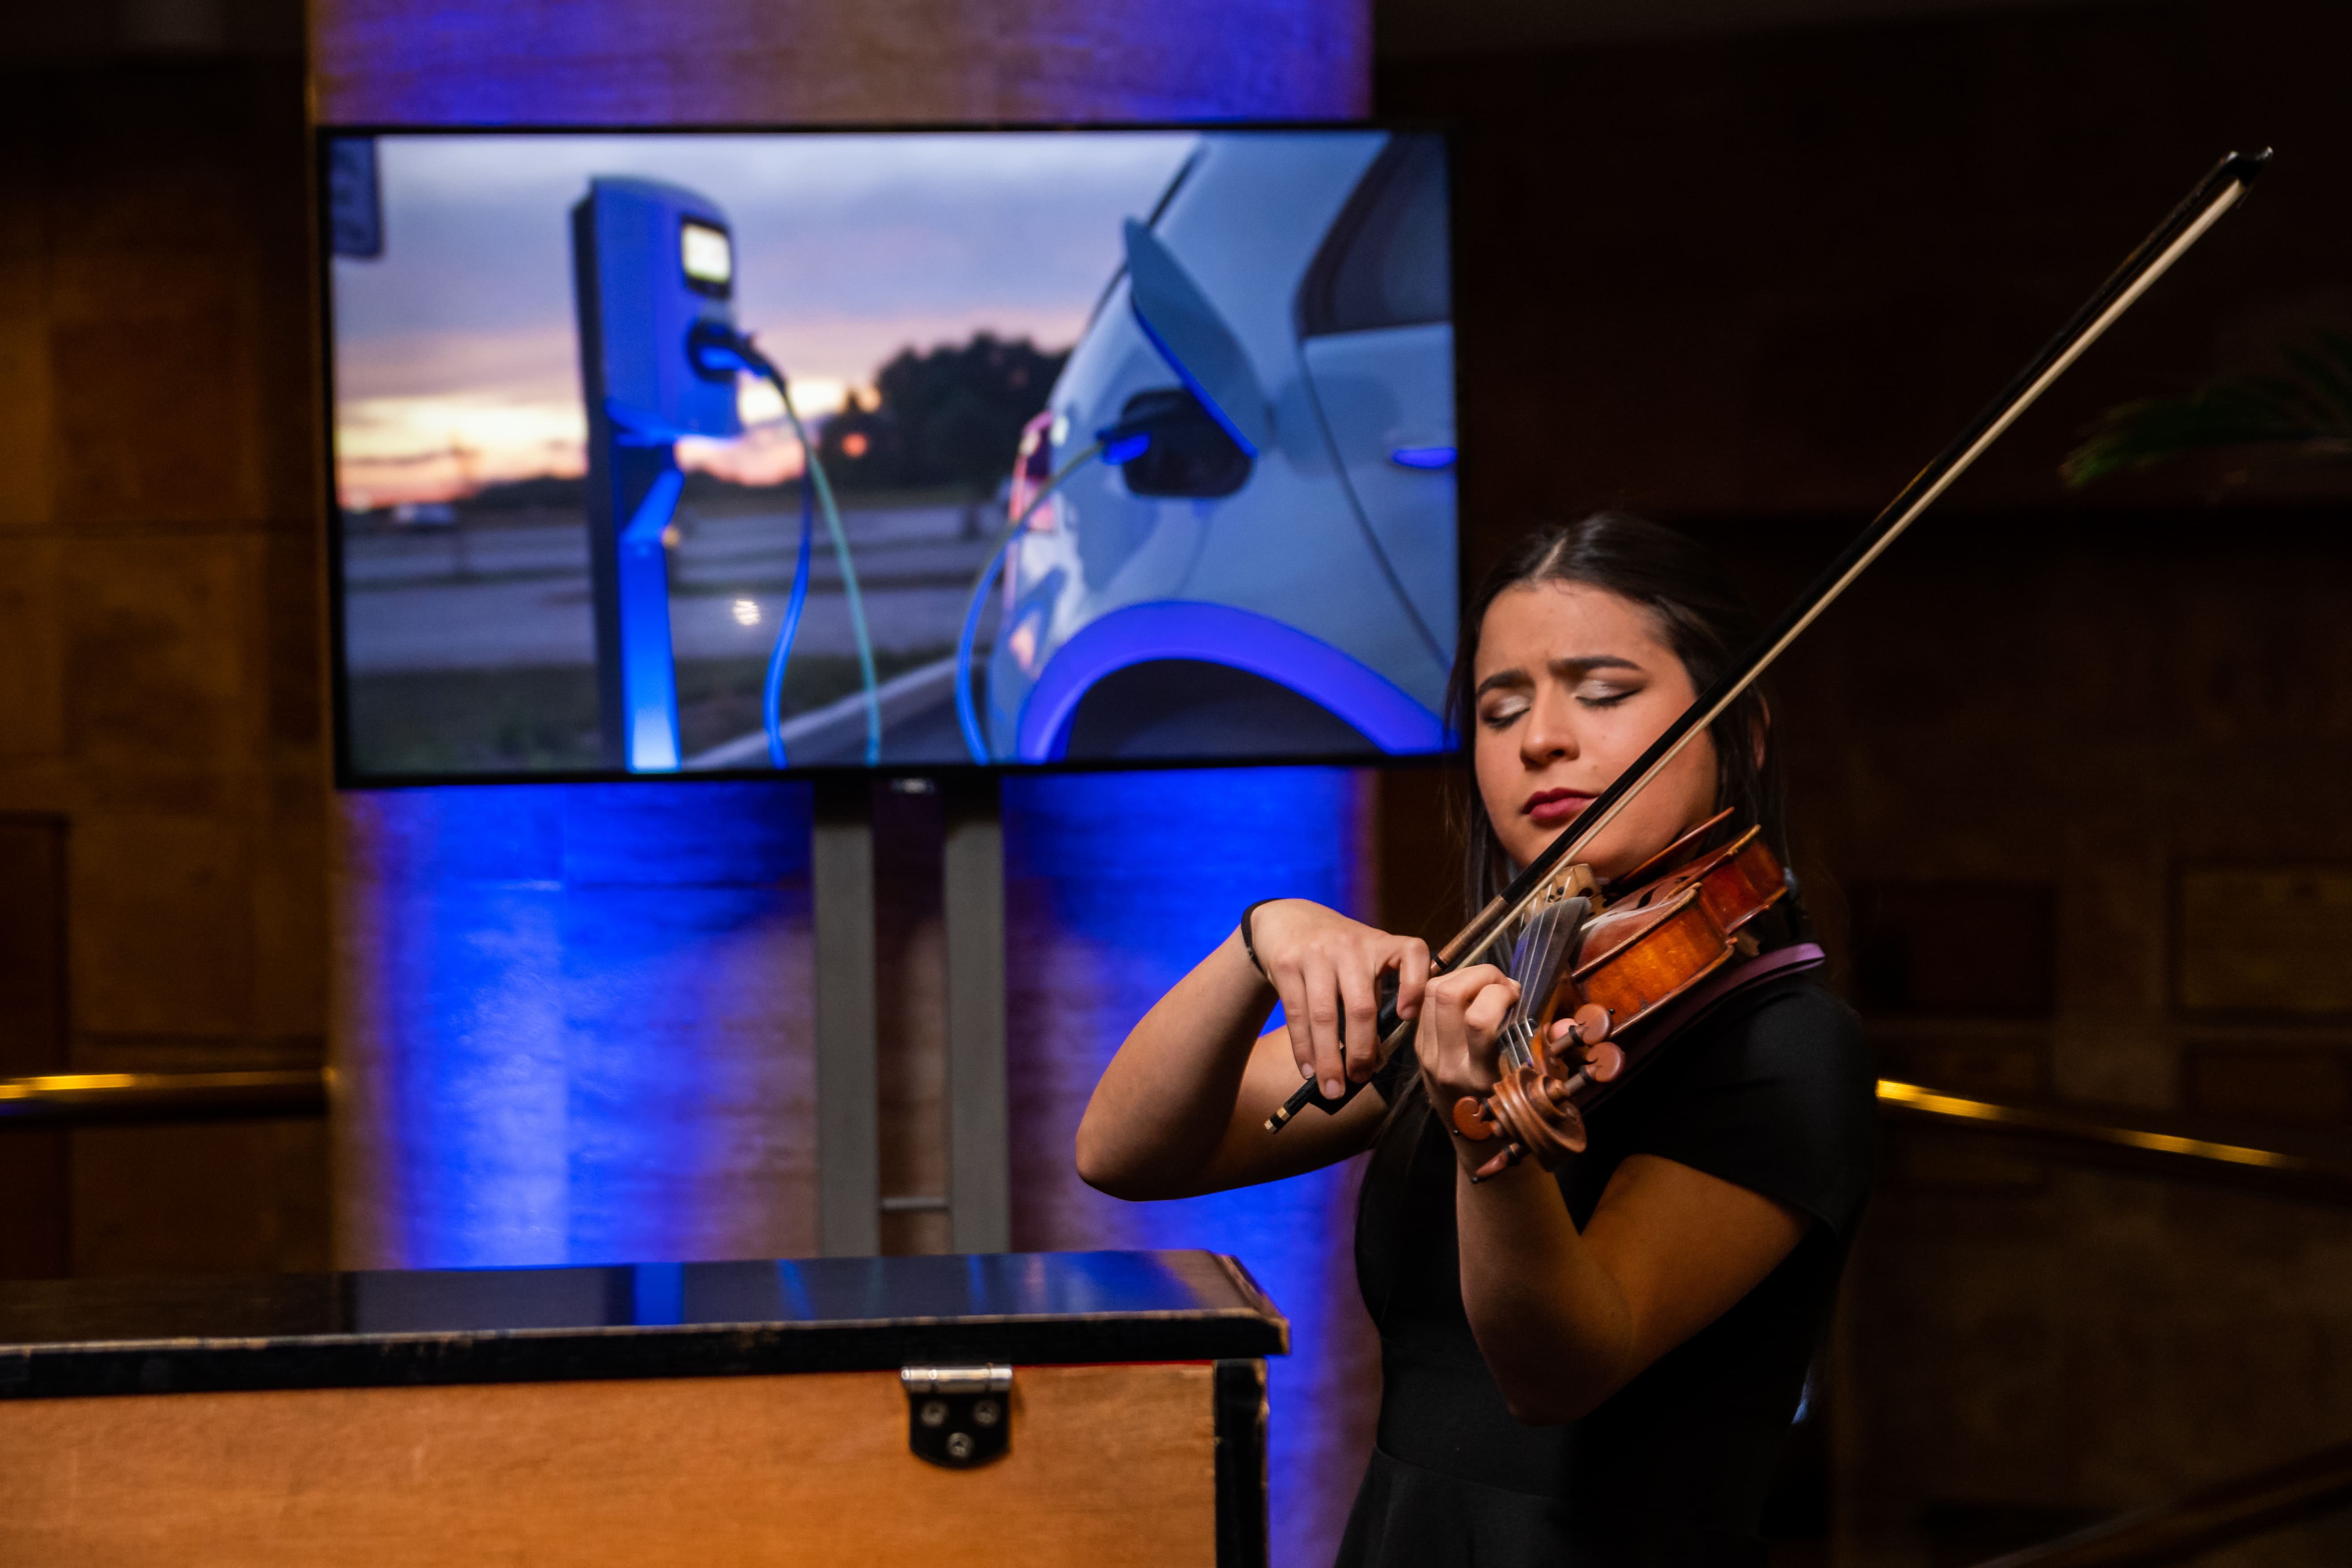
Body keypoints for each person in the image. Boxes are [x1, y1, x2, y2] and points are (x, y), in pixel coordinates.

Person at [1075, 514, 1876, 1566]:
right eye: (1502, 709)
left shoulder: (1784, 1044)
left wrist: (1479, 1134)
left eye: (1602, 692)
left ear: (1743, 731)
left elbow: (1558, 1370)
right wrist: (1256, 939)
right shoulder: (1497, 995)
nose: (1540, 737)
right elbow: (1126, 1154)